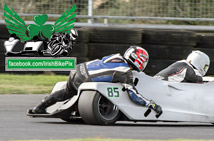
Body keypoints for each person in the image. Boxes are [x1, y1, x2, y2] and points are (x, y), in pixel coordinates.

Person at [29, 46, 162, 116]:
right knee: (83, 92)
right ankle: (77, 109)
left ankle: (39, 107)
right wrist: (151, 104)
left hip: (78, 70)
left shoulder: (115, 57)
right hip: (85, 80)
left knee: (66, 92)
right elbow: (133, 95)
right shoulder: (125, 72)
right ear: (138, 60)